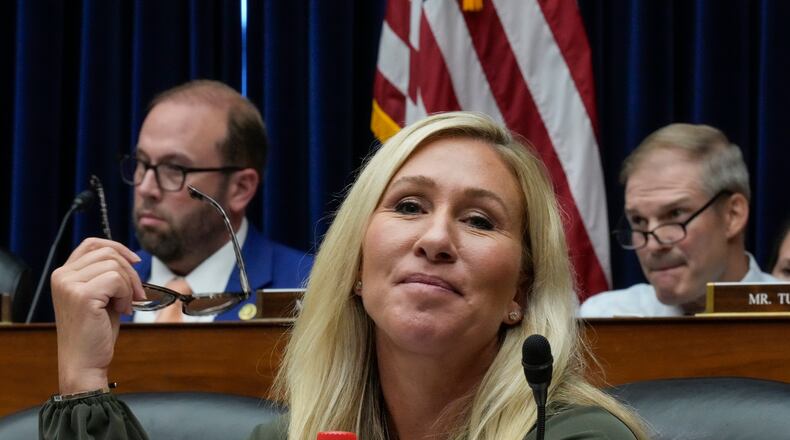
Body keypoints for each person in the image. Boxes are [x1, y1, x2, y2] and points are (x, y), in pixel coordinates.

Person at [41, 112, 646, 439]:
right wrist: (83, 381)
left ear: (518, 292)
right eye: (408, 206)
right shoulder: (294, 437)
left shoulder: (577, 439)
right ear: (356, 267)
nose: (435, 239)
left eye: (480, 220)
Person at [122, 80, 312, 322]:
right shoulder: (102, 291)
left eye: (173, 168)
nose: (146, 188)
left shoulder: (311, 289)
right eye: (142, 162)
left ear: (240, 189)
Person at [580, 123, 778, 318]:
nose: (653, 245)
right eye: (638, 220)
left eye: (675, 214)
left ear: (732, 215)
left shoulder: (783, 313)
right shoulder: (604, 318)